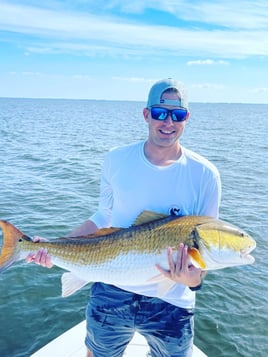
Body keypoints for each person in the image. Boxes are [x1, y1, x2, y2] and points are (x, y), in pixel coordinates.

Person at [27, 78, 221, 357]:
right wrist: (56, 245)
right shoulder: (116, 160)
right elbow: (102, 217)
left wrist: (192, 280)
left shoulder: (205, 175)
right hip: (112, 289)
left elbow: (204, 247)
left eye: (177, 115)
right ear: (146, 115)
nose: (168, 122)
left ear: (186, 118)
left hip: (172, 299)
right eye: (159, 113)